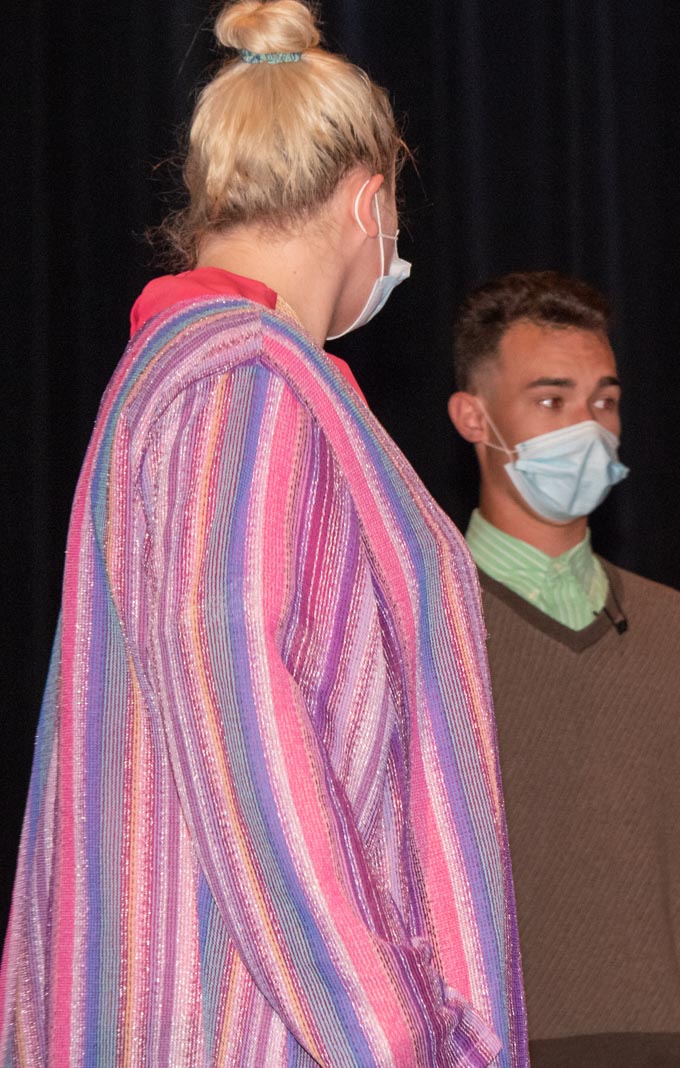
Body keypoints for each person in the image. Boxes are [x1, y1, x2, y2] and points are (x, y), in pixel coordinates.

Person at [0, 3, 526, 1063]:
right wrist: (387, 1028)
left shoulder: (221, 376)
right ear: (369, 201)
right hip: (264, 1026)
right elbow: (233, 691)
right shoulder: (240, 383)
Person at [446, 270, 680, 1066]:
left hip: (673, 1049)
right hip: (488, 1050)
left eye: (604, 401)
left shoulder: (675, 628)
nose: (587, 428)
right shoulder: (424, 620)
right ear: (474, 417)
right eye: (551, 401)